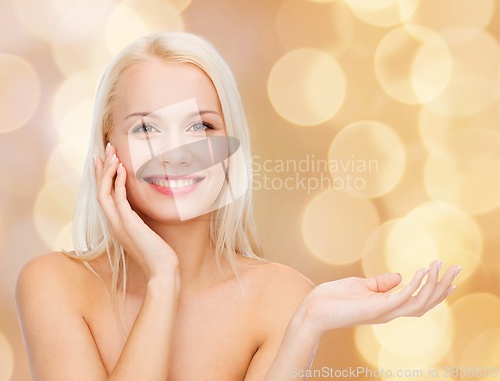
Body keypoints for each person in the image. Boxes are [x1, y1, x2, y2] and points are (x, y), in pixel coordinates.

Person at [15, 32, 461, 380]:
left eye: (201, 127)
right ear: (107, 147)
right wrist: (162, 279)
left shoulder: (280, 298)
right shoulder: (53, 284)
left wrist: (307, 322)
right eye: (147, 128)